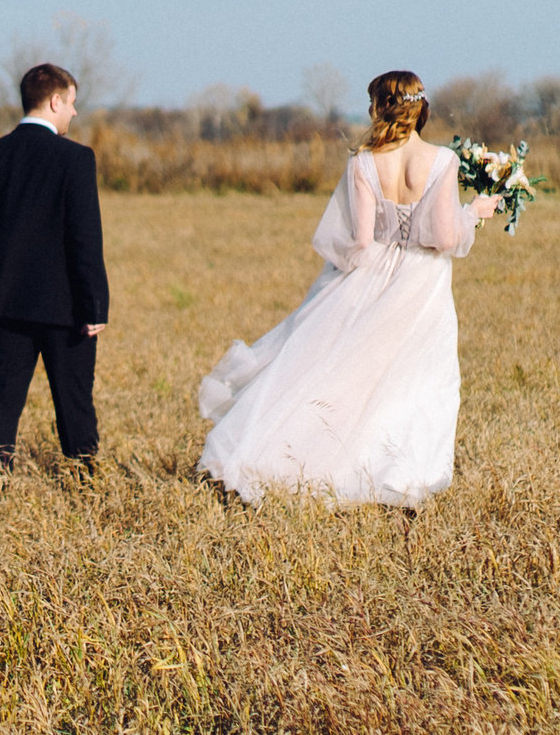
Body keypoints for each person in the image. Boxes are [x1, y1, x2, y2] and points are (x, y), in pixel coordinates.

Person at [195, 69, 515, 508]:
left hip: (370, 274)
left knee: (335, 372)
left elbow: (360, 239)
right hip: (422, 282)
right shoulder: (442, 161)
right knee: (417, 379)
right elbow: (443, 237)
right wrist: (474, 212)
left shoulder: (363, 161)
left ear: (381, 108)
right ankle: (397, 477)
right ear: (420, 108)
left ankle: (291, 459)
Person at [0, 62, 109, 467]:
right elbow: (84, 238)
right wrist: (95, 305)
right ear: (55, 101)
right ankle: (84, 485)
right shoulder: (76, 159)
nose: (75, 113)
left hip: (2, 300)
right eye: (73, 104)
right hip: (66, 309)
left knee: (0, 397)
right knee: (74, 401)